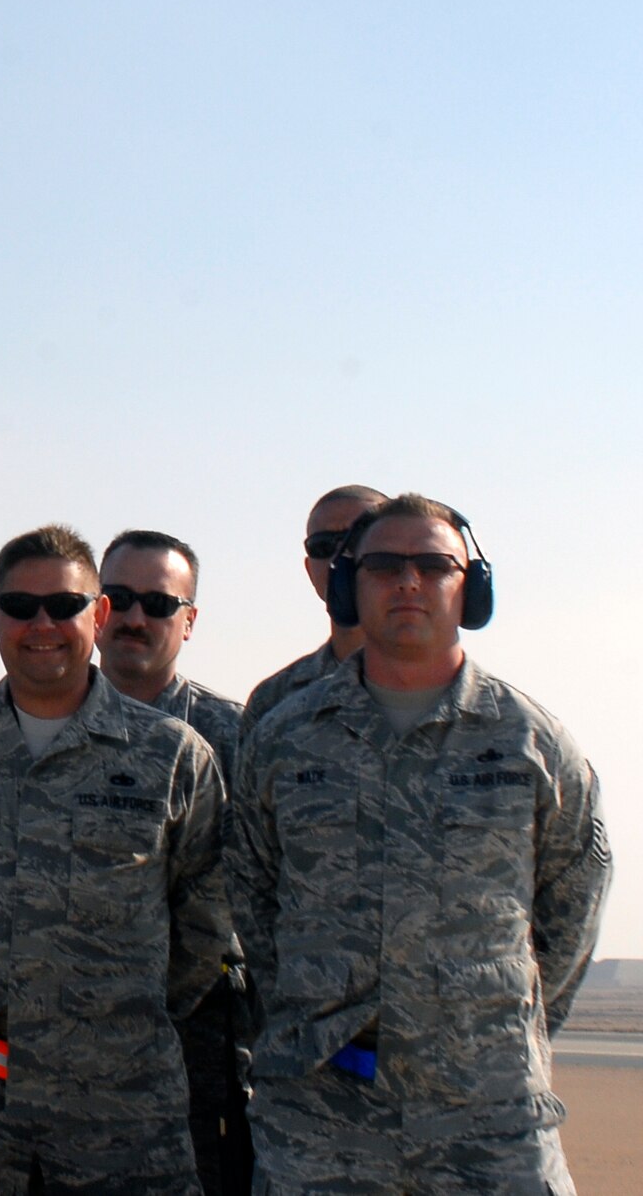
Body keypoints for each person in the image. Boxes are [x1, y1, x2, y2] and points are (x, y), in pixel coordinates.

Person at [230, 494, 611, 1193]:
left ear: (471, 586)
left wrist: (488, 1022)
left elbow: (574, 897)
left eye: (433, 564)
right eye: (382, 565)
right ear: (349, 586)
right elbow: (253, 894)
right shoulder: (283, 739)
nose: (408, 581)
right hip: (320, 1114)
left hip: (489, 1115)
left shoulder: (532, 743)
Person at [0, 524, 231, 1195]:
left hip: (120, 1102)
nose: (42, 625)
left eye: (65, 607)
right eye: (20, 607)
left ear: (96, 615)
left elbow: (205, 923)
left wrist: (111, 1013)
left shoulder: (172, 755)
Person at [95, 529, 253, 1196]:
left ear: (188, 622)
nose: (136, 618)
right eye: (120, 598)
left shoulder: (237, 737)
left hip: (193, 1034)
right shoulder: (31, 726)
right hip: (55, 1037)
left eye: (158, 605)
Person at [241, 485, 387, 735]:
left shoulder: (456, 692)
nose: (341, 557)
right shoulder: (273, 699)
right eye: (323, 546)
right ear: (309, 570)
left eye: (357, 539)